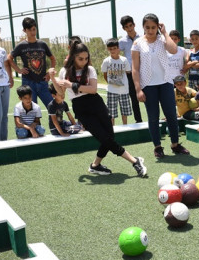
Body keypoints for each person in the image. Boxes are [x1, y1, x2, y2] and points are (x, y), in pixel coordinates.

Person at [52, 40, 147, 177]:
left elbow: (93, 89)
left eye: (86, 58)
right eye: (80, 59)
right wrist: (52, 78)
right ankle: (134, 161)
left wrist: (72, 85)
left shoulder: (89, 69)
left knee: (109, 136)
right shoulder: (64, 71)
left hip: (96, 103)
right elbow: (61, 94)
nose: (84, 61)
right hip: (81, 108)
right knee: (104, 138)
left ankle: (95, 165)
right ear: (73, 56)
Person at [131, 13, 190, 158]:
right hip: (148, 85)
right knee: (153, 117)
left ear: (158, 26)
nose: (150, 30)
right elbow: (135, 68)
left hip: (166, 82)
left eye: (153, 27)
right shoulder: (137, 44)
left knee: (171, 115)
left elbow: (174, 50)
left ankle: (175, 145)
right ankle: (157, 147)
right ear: (143, 27)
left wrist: (164, 32)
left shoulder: (162, 39)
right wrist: (138, 89)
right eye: (147, 27)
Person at [7, 17, 57, 107]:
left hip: (43, 82)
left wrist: (49, 74)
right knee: (31, 110)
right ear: (24, 30)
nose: (33, 32)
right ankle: (36, 122)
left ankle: (54, 122)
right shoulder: (21, 46)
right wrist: (18, 70)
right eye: (30, 30)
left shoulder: (42, 44)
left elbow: (53, 59)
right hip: (28, 83)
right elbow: (9, 58)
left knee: (53, 106)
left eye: (34, 29)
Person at [102, 37, 132, 125]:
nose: (113, 50)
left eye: (114, 48)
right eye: (110, 49)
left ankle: (125, 126)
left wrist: (121, 82)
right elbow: (105, 75)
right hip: (112, 90)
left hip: (124, 90)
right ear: (108, 49)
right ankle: (113, 128)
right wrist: (112, 83)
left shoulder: (124, 60)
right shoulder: (106, 61)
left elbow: (127, 72)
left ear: (118, 48)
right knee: (111, 112)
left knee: (125, 111)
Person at [118, 15, 142, 122]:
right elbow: (116, 54)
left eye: (131, 25)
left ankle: (153, 120)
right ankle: (139, 120)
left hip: (144, 70)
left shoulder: (142, 38)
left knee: (149, 96)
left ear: (134, 25)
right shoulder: (122, 41)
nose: (129, 28)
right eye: (126, 26)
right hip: (130, 73)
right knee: (134, 97)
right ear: (124, 28)